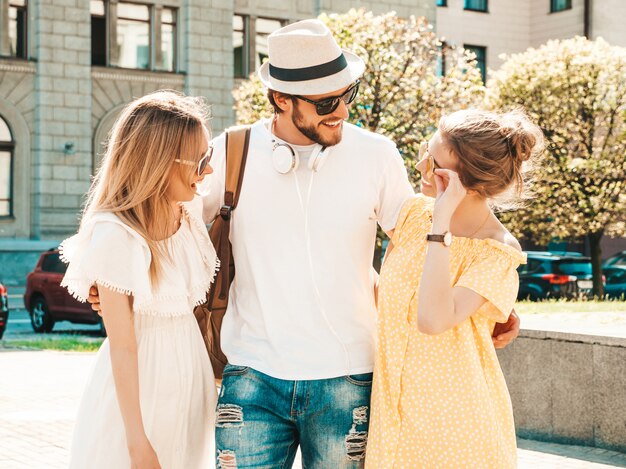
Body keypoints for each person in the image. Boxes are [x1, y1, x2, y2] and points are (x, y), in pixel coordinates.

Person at [200, 21, 520, 468]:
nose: (342, 112)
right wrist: (108, 279)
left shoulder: (376, 154)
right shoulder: (230, 153)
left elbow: (426, 237)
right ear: (280, 99)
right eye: (326, 102)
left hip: (347, 378)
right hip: (252, 375)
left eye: (347, 95)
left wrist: (493, 297)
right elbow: (175, 230)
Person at [365, 109, 544, 468]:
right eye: (423, 152)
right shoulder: (414, 215)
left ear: (467, 181)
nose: (420, 168)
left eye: (431, 163)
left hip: (458, 432)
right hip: (394, 422)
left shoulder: (498, 251)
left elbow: (432, 320)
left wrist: (441, 225)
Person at [61, 91, 218, 469]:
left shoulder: (190, 212)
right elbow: (123, 345)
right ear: (158, 163)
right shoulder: (115, 235)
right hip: (139, 390)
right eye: (200, 161)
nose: (208, 170)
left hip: (191, 379)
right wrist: (137, 441)